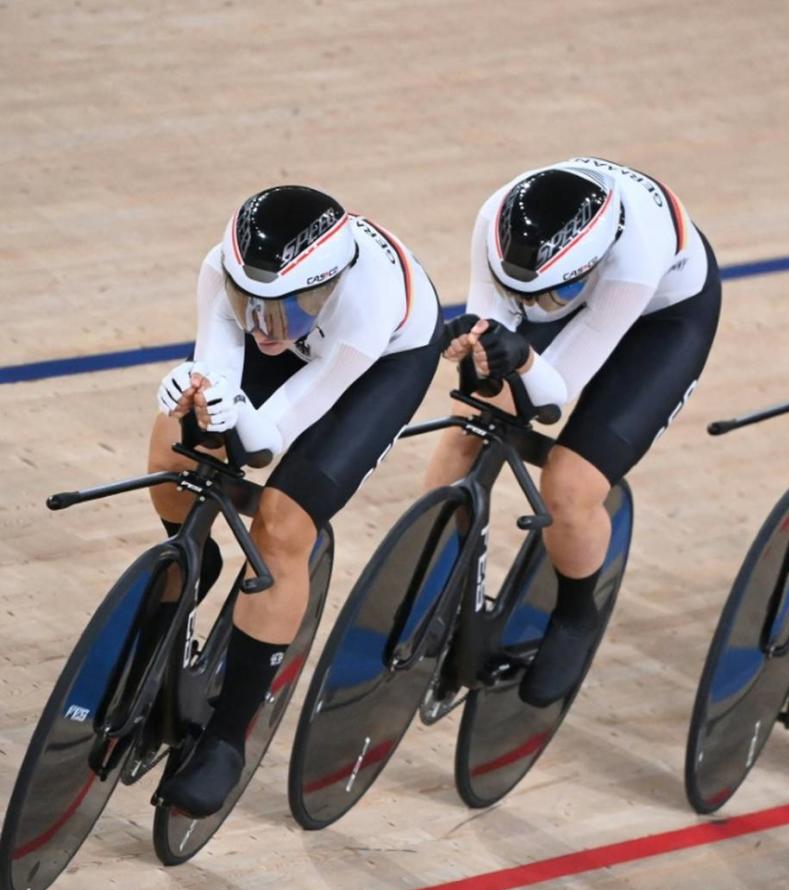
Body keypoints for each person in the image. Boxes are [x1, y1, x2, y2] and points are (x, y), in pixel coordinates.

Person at [150, 185, 443, 815]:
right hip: (310, 340)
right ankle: (192, 566)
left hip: (379, 365)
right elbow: (219, 377)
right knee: (172, 450)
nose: (263, 326)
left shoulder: (368, 305)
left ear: (328, 286)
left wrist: (234, 416)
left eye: (284, 308)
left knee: (284, 524)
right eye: (248, 304)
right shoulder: (222, 271)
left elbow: (267, 440)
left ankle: (229, 737)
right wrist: (193, 394)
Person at [428, 157, 721, 707]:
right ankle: (430, 576)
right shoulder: (495, 218)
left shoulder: (634, 257)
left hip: (663, 320)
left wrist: (521, 356)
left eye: (544, 301)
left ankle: (576, 612)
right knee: (467, 430)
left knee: (569, 484)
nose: (534, 310)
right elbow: (493, 343)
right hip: (561, 282)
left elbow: (552, 396)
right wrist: (478, 345)